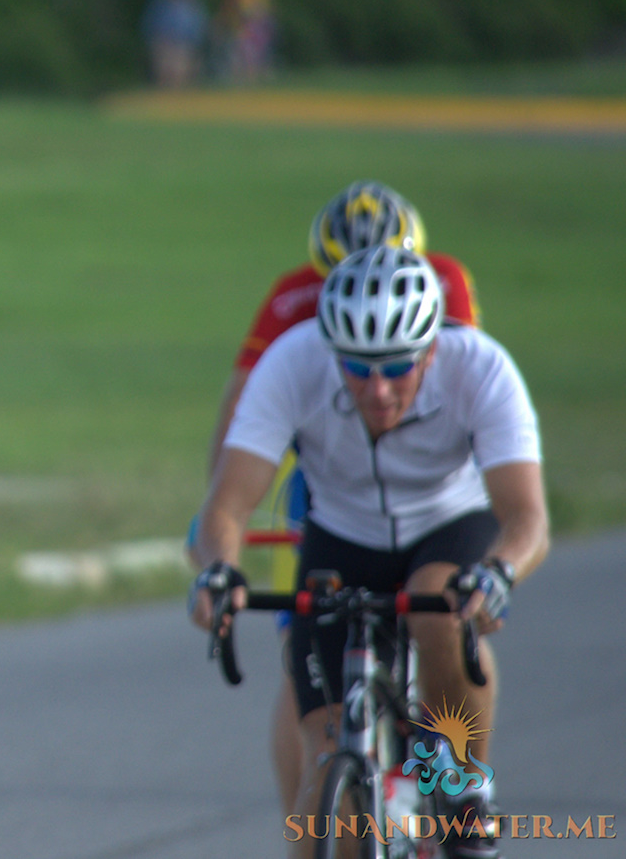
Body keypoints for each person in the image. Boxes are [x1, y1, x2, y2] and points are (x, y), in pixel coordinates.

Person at [190, 246, 548, 859]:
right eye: (356, 368)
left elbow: (527, 517)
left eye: (398, 367)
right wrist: (219, 572)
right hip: (342, 533)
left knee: (439, 606)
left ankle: (463, 786)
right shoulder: (292, 364)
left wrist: (498, 573)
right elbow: (224, 507)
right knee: (325, 757)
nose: (378, 390)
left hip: (448, 520)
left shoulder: (481, 368)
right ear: (332, 351)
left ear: (431, 350)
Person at [199, 180, 482, 818]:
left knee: (441, 613)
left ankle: (448, 764)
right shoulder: (293, 296)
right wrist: (218, 511)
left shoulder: (444, 282)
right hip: (327, 480)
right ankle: (313, 820)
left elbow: (458, 388)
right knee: (305, 655)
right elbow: (243, 401)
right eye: (339, 279)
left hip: (424, 480)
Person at [140, 0, 209, 88]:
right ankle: (163, 91)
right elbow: (150, 23)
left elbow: (199, 25)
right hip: (163, 42)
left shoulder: (192, 5)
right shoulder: (160, 3)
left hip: (184, 44)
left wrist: (195, 42)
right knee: (163, 69)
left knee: (180, 71)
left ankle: (177, 92)